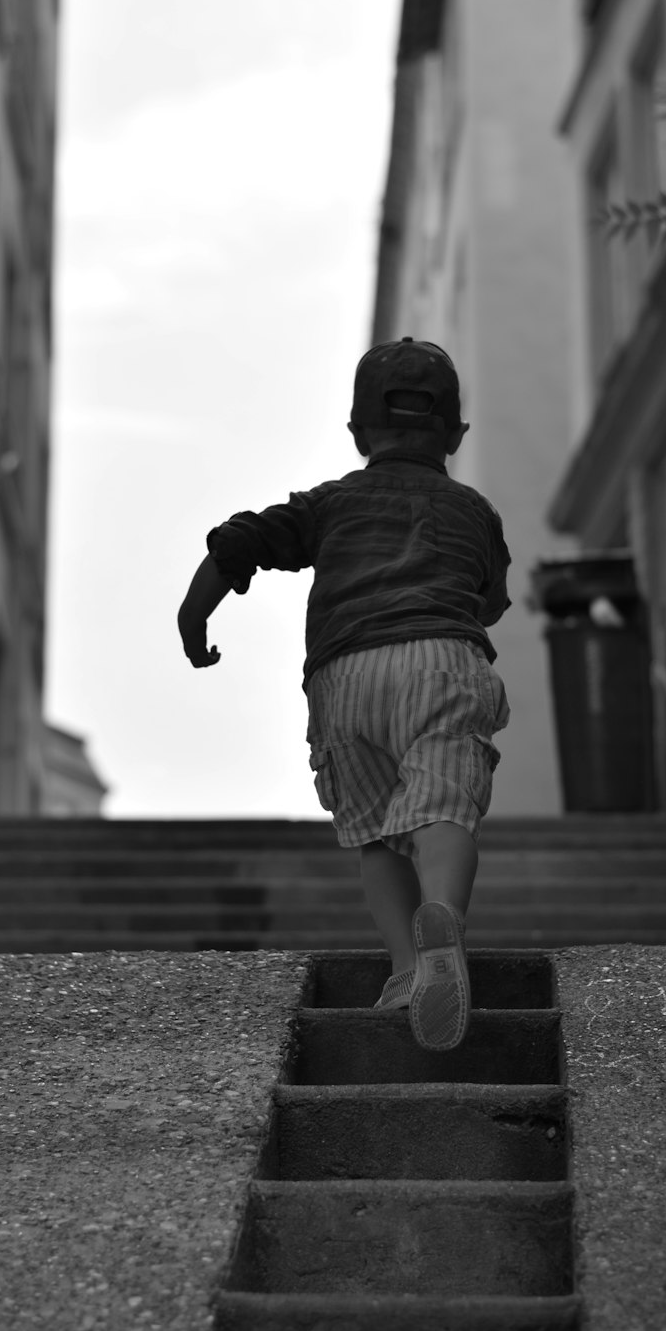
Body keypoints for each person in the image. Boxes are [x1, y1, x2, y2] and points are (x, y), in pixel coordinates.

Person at [177, 337, 511, 1051]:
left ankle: (403, 968)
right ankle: (443, 913)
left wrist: (195, 612)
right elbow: (492, 600)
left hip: (344, 674)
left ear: (358, 431)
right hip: (441, 660)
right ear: (455, 435)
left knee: (375, 834)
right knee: (442, 807)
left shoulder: (331, 504)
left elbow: (244, 541)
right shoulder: (474, 511)